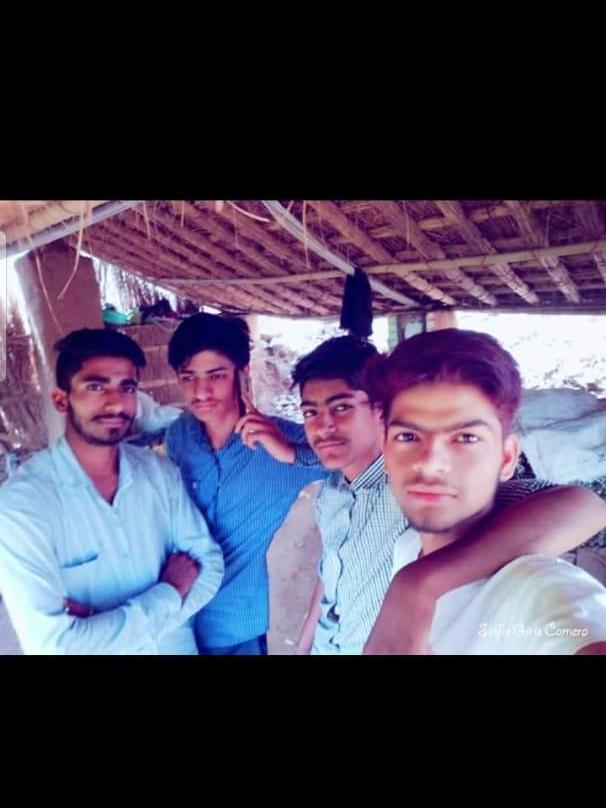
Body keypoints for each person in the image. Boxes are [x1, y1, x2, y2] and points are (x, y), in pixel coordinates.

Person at [365, 328, 606, 654]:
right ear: (385, 451)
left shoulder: (538, 589)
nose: (431, 464)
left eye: (466, 438)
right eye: (408, 437)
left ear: (506, 458)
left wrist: (419, 584)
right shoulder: (407, 547)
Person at [0, 328, 224, 654]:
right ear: (61, 399)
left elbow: (209, 565)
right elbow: (55, 646)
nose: (116, 402)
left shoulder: (159, 473)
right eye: (96, 386)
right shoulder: (22, 506)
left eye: (127, 387)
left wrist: (105, 626)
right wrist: (170, 591)